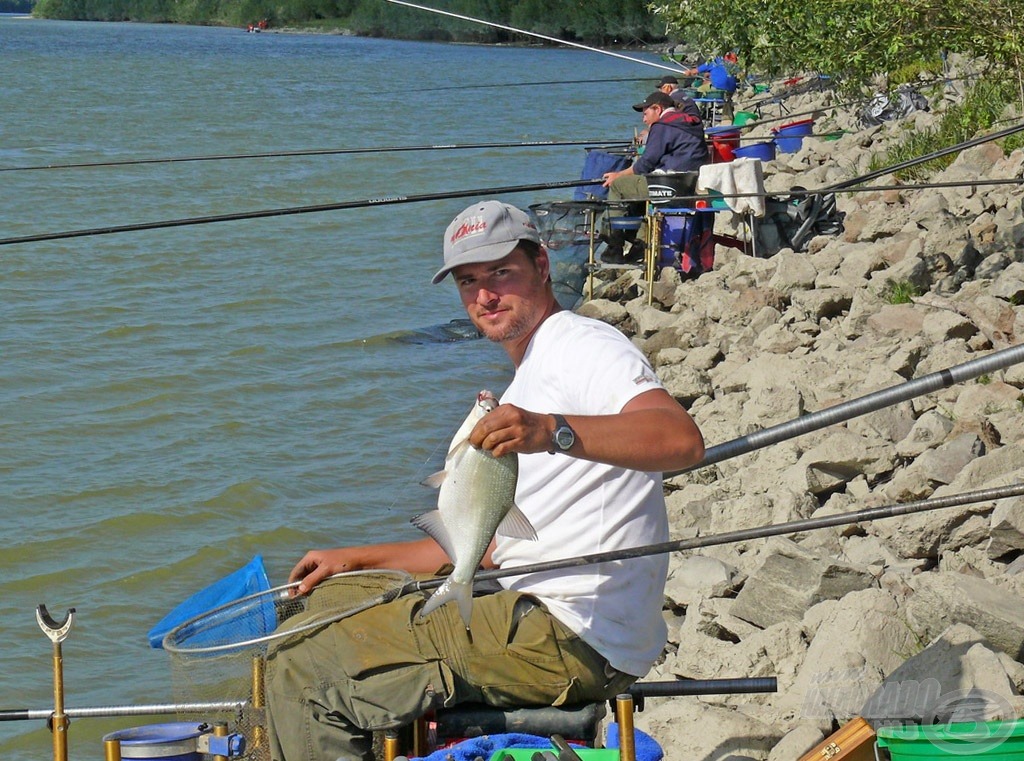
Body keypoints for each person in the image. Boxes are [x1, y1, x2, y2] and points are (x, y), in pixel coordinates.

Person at [263, 200, 706, 761]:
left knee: (304, 667)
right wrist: (354, 557)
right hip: (528, 603)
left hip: (572, 637)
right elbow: (486, 548)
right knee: (323, 604)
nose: (485, 295)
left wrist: (552, 430)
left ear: (542, 265)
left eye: (501, 273)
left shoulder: (582, 345)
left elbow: (680, 439)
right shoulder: (527, 377)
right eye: (468, 281)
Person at [600, 91, 709, 263]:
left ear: (658, 109)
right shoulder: (690, 121)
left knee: (619, 186)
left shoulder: (662, 126)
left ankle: (614, 245)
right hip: (691, 183)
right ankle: (640, 245)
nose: (644, 119)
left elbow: (645, 164)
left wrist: (618, 175)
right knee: (639, 190)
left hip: (670, 185)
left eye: (645, 113)